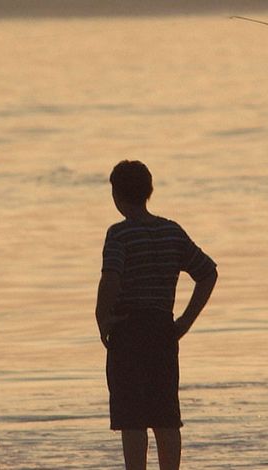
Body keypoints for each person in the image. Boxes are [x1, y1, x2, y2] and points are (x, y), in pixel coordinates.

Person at [95, 160, 219, 470]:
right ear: (148, 192)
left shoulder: (119, 234)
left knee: (132, 418)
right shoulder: (171, 231)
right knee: (166, 415)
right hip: (163, 327)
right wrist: (184, 322)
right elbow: (207, 273)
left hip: (129, 328)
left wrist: (102, 318)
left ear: (117, 195)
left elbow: (111, 278)